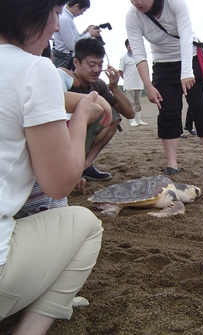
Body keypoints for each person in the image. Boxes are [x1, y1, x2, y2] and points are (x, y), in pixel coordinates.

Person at [0, 1, 105, 333]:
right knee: (87, 225)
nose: (57, 27)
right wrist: (81, 120)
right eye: (55, 13)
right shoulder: (35, 68)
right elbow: (58, 183)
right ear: (29, 14)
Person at [126, 0, 203, 175]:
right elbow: (139, 53)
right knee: (168, 111)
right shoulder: (133, 16)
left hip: (189, 58)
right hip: (162, 64)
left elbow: (185, 36)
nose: (135, 2)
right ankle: (172, 163)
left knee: (199, 107)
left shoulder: (175, 3)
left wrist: (186, 72)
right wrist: (148, 85)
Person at [68, 37, 135, 181]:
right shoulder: (65, 82)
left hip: (81, 140)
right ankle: (70, 167)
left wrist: (115, 88)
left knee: (113, 116)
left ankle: (85, 166)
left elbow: (130, 114)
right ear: (76, 62)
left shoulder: (98, 85)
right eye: (92, 65)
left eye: (100, 64)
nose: (97, 70)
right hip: (62, 142)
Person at [52, 0, 100, 70]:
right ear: (77, 6)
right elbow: (73, 45)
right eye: (83, 11)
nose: (82, 14)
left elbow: (75, 39)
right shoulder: (65, 19)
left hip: (66, 58)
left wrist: (85, 32)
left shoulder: (68, 18)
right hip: (64, 60)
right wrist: (89, 34)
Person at [119, 38, 148, 127]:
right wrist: (126, 79)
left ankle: (138, 119)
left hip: (138, 83)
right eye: (129, 45)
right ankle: (132, 120)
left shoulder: (139, 57)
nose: (131, 47)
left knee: (138, 103)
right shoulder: (124, 58)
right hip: (129, 84)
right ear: (127, 47)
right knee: (130, 103)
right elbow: (120, 71)